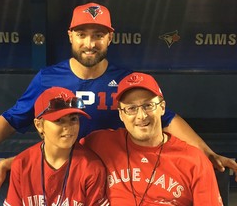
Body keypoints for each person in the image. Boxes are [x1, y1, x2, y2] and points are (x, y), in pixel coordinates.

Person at [0, 2, 235, 204]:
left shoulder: (126, 84)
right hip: (68, 178)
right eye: (83, 34)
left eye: (98, 35)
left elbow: (167, 119)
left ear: (110, 38)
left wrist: (209, 154)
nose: (90, 43)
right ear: (71, 35)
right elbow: (14, 118)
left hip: (114, 179)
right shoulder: (48, 78)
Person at [81, 72, 223, 205]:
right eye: (131, 108)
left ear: (162, 108)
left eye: (148, 105)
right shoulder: (100, 142)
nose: (141, 115)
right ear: (120, 114)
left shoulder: (194, 161)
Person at [3, 86, 109, 206]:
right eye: (58, 120)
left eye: (73, 119)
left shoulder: (91, 167)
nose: (68, 126)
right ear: (39, 125)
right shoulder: (22, 164)